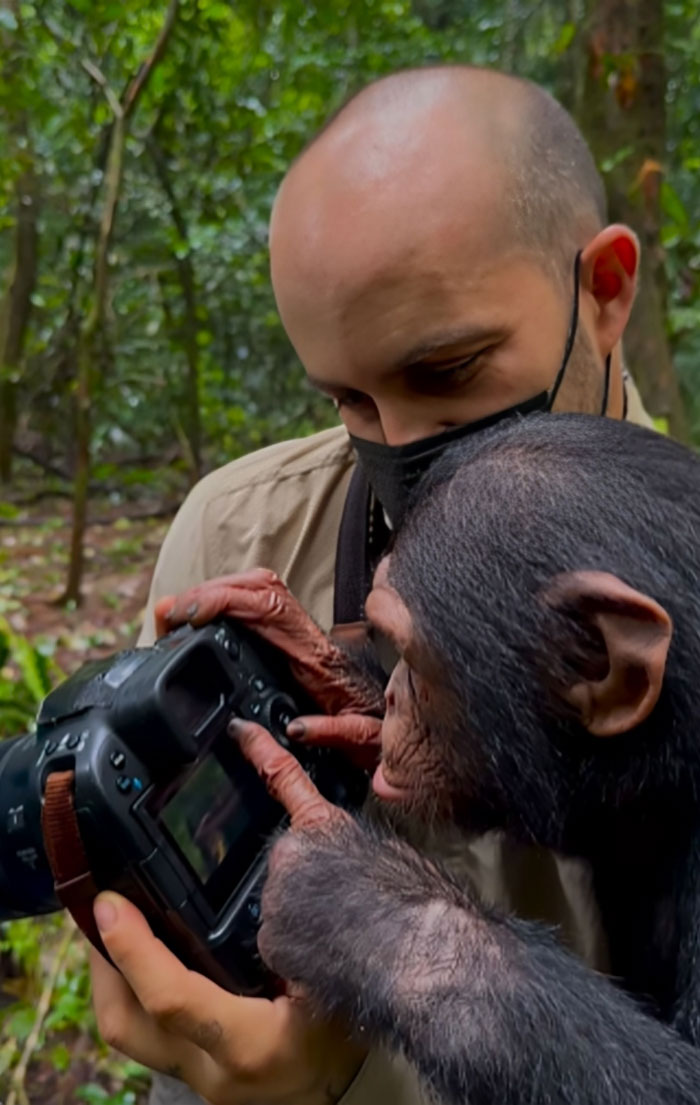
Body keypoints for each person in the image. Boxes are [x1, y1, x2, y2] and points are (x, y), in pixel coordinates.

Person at [90, 65, 655, 1105]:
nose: (401, 449)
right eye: (348, 398)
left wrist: (401, 931)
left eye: (447, 373)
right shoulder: (242, 529)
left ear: (605, 291)